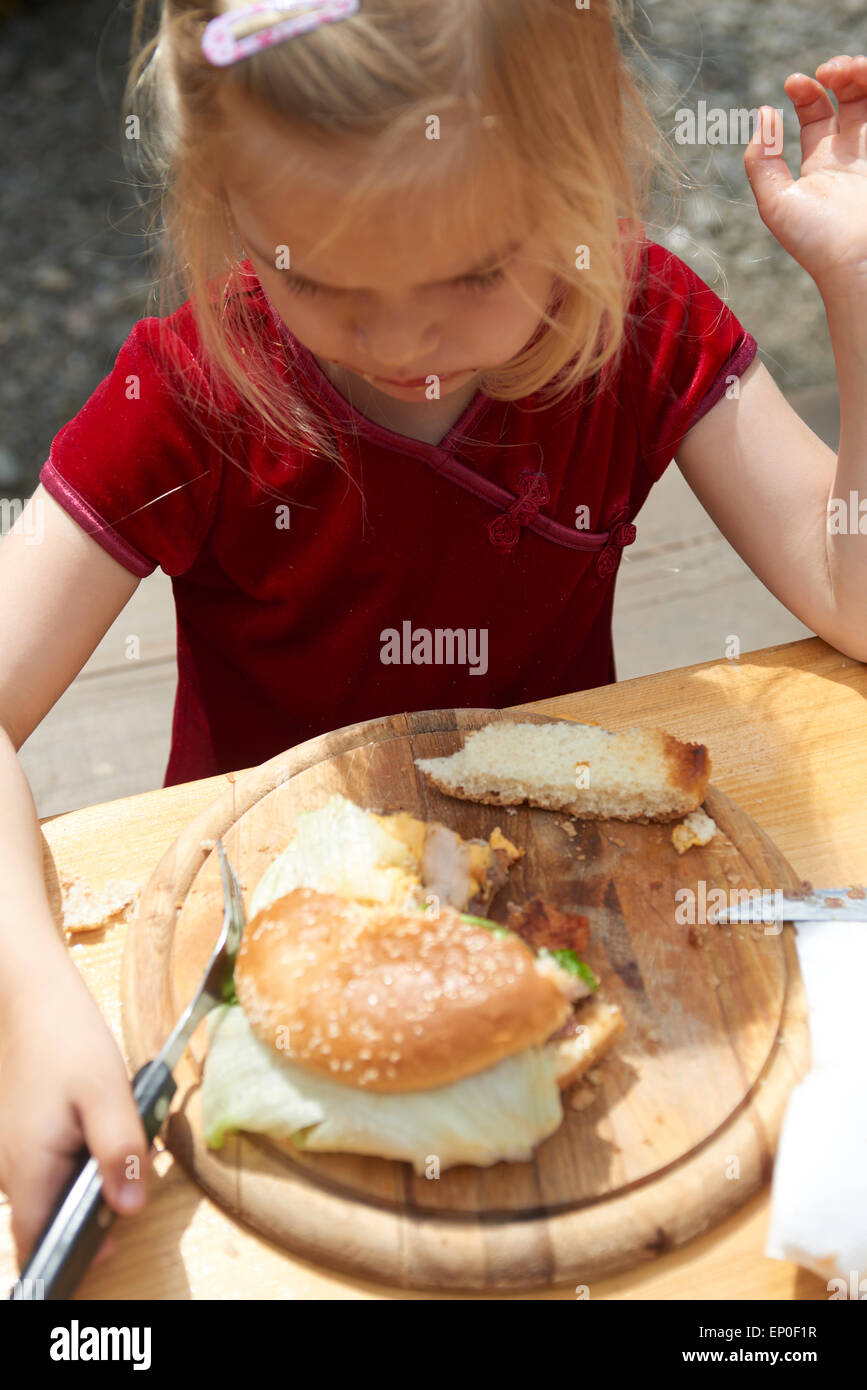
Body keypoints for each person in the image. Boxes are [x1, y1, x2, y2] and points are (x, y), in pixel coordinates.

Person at [1, 0, 865, 1277]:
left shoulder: (638, 322)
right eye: (323, 280)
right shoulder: (193, 393)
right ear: (228, 208)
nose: (405, 345)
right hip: (239, 947)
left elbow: (848, 596)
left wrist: (857, 293)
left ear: (588, 168)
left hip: (579, 911)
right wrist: (30, 1005)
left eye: (475, 272)